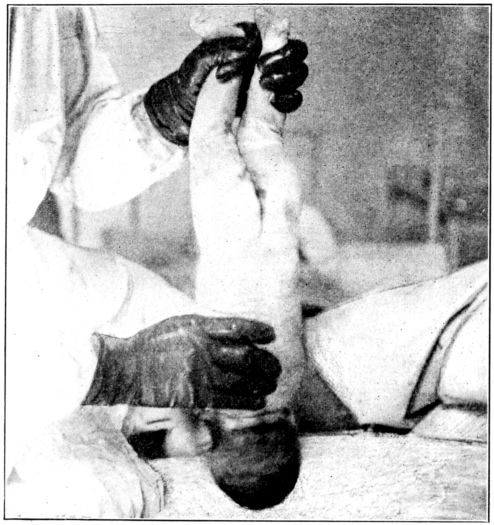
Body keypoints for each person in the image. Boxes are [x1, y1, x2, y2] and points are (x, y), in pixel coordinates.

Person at [7, 5, 309, 484]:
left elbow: (64, 139)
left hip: (44, 283)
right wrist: (114, 371)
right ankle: (244, 49)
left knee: (251, 139)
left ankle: (248, 48)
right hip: (29, 328)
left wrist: (163, 114)